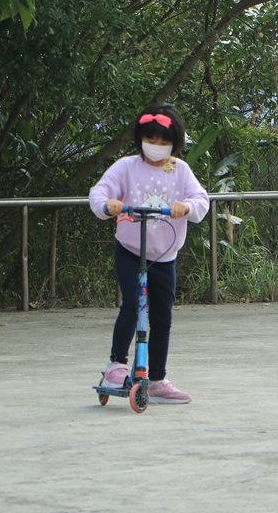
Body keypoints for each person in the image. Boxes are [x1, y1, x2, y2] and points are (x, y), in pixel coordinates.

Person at [88, 104, 210, 403]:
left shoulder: (180, 170)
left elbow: (201, 200)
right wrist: (108, 205)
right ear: (141, 139)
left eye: (163, 141)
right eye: (150, 140)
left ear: (174, 144)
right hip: (130, 251)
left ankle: (156, 379)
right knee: (132, 304)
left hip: (164, 256)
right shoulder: (126, 166)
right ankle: (116, 366)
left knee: (162, 316)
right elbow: (99, 191)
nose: (156, 146)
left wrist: (188, 207)